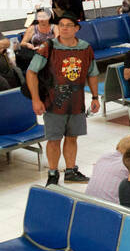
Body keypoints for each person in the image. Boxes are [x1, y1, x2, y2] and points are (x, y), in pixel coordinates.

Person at [26, 14, 100, 186]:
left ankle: (71, 170)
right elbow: (31, 72)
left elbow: (93, 73)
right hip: (53, 102)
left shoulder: (85, 48)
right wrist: (36, 99)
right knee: (54, 139)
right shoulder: (48, 47)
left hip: (76, 101)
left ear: (77, 28)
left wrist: (95, 97)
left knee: (73, 137)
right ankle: (52, 173)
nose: (65, 28)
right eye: (61, 25)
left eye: (68, 25)